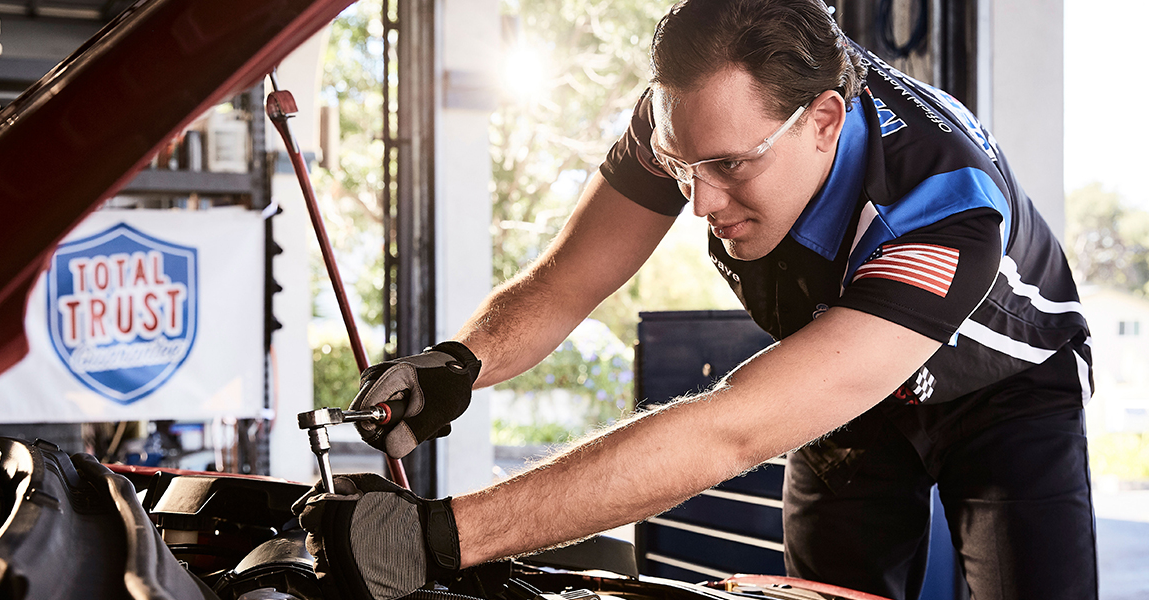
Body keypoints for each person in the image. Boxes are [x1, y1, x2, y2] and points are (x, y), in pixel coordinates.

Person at [292, 0, 1098, 598]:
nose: (701, 204)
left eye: (730, 168)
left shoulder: (943, 211)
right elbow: (568, 280)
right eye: (683, 168)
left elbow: (729, 429)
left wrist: (442, 536)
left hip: (1005, 397)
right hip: (849, 390)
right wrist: (457, 364)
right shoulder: (698, 120)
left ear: (824, 120)